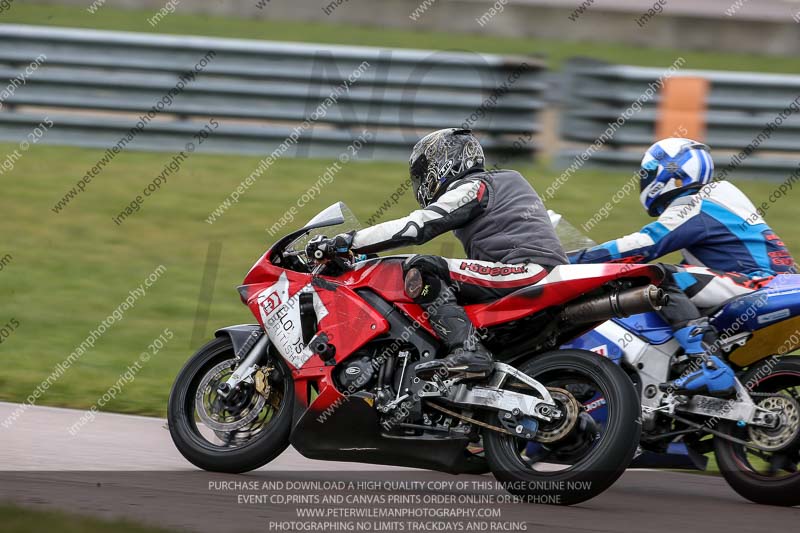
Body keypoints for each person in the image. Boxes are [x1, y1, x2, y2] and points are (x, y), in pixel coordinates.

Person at [318, 128, 568, 377]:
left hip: (527, 272)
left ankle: (469, 352)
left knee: (423, 268)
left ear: (444, 162)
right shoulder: (506, 182)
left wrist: (350, 241)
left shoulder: (476, 187)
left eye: (423, 172)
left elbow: (417, 227)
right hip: (536, 272)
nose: (421, 181)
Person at [570, 138, 796, 397]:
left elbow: (644, 245)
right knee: (675, 283)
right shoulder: (718, 199)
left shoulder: (696, 201)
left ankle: (709, 362)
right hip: (760, 280)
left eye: (648, 173)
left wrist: (577, 260)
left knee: (657, 277)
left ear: (671, 172)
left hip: (755, 282)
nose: (645, 181)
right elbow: (698, 269)